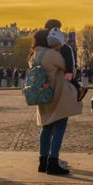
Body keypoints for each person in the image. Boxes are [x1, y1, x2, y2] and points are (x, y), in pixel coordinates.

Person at [29, 28, 83, 175]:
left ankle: (42, 161)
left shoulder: (34, 56)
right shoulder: (52, 54)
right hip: (57, 96)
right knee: (59, 127)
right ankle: (53, 161)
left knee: (46, 128)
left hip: (43, 96)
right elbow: (70, 69)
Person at [44, 18, 83, 100]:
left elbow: (69, 62)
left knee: (70, 81)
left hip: (67, 70)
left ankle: (79, 89)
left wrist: (69, 71)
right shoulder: (57, 43)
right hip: (64, 70)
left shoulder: (64, 48)